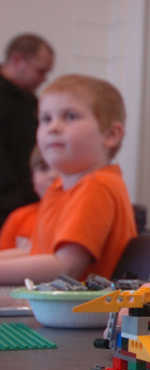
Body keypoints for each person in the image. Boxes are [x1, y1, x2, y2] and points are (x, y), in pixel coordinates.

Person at [0, 74, 136, 284]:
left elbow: (66, 267)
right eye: (46, 119)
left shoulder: (96, 186)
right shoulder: (61, 189)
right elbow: (36, 253)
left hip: (71, 312)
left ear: (111, 135)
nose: (53, 127)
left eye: (70, 116)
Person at [0, 33, 54, 226]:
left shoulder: (31, 101)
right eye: (40, 71)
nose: (44, 79)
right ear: (17, 60)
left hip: (27, 203)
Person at [0, 147, 56, 250]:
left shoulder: (81, 216)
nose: (53, 175)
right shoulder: (19, 218)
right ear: (32, 179)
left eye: (63, 169)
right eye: (44, 168)